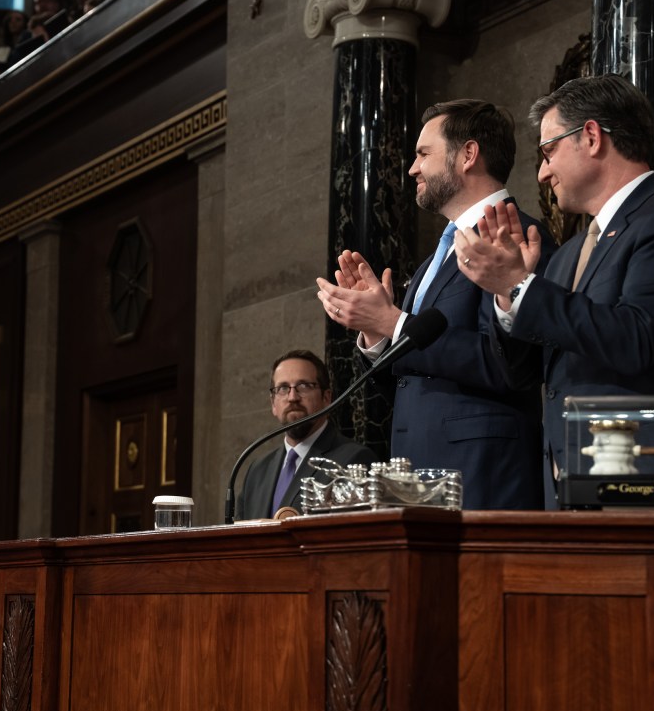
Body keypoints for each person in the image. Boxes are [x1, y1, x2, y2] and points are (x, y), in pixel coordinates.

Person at [454, 74, 654, 494]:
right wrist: (507, 295)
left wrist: (521, 285)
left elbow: (637, 337)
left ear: (590, 136)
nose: (543, 173)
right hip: (572, 486)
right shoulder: (567, 254)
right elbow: (531, 372)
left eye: (548, 152)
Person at [316, 99, 555, 509]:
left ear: (468, 155)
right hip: (417, 478)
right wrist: (376, 335)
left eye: (424, 154)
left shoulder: (518, 237)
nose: (412, 168)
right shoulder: (434, 260)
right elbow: (413, 375)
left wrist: (395, 323)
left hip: (483, 477)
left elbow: (511, 366)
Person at [237, 350, 378, 519]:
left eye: (303, 386)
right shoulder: (257, 470)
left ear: (326, 398)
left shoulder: (353, 460)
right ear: (273, 403)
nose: (292, 397)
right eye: (283, 388)